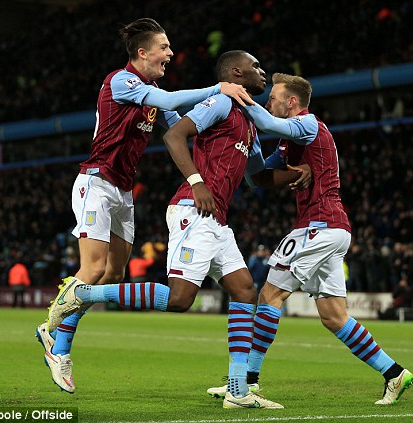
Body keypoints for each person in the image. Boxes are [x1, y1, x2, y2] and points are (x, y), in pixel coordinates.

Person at [48, 51, 310, 408]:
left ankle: (237, 390)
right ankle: (83, 295)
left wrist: (297, 174)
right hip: (193, 207)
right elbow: (174, 135)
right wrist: (197, 181)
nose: (262, 73)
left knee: (246, 291)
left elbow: (259, 177)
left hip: (217, 219)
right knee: (180, 299)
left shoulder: (248, 119)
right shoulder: (219, 103)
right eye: (256, 68)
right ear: (236, 73)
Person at [36, 18, 254, 394]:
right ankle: (56, 341)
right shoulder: (121, 81)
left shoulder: (151, 91)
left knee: (113, 275)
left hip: (122, 191)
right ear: (142, 52)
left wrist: (222, 116)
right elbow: (170, 101)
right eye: (164, 47)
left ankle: (61, 327)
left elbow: (178, 122)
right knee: (93, 268)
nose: (170, 54)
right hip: (96, 182)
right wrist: (218, 87)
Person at [207, 73, 413, 405]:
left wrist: (238, 100)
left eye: (273, 97)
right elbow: (257, 177)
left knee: (269, 294)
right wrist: (250, 142)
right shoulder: (291, 141)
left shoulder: (309, 124)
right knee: (334, 316)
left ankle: (247, 382)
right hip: (327, 229)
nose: (267, 102)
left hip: (320, 226)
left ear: (292, 102)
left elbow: (265, 120)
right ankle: (394, 373)